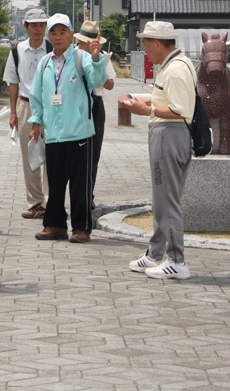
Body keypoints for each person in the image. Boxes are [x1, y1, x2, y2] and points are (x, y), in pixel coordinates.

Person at [125, 21, 195, 280]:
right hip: (169, 134)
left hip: (169, 133)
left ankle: (177, 260)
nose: (144, 48)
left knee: (166, 200)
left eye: (145, 42)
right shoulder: (177, 64)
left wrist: (147, 110)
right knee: (162, 199)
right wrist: (145, 101)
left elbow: (180, 110)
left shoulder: (175, 69)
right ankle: (156, 253)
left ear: (157, 43)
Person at [28, 14, 106, 244]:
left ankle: (81, 228)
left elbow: (97, 80)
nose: (58, 36)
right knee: (55, 181)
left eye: (63, 32)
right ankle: (55, 225)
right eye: (53, 32)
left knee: (80, 183)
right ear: (48, 36)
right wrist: (36, 123)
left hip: (80, 131)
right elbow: (37, 96)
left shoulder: (82, 57)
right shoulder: (45, 63)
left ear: (72, 35)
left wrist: (97, 58)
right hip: (53, 133)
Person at [2, 8, 51, 219]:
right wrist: (13, 112)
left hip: (51, 108)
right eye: (34, 25)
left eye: (42, 25)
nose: (39, 29)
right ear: (26, 27)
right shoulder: (16, 50)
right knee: (30, 156)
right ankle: (35, 203)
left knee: (52, 156)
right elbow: (13, 83)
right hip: (25, 105)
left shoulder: (53, 48)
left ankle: (52, 202)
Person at [74, 21, 115, 203]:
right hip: (75, 105)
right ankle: (75, 195)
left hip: (96, 104)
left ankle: (88, 195)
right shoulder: (71, 55)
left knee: (93, 153)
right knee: (74, 153)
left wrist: (98, 64)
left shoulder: (104, 56)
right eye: (87, 41)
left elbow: (111, 85)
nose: (90, 45)